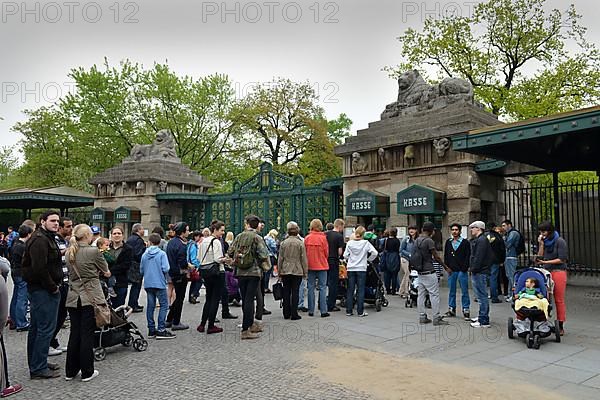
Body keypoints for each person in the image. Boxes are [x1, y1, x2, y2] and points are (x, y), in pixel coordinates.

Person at [64, 224, 110, 382]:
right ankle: (87, 371)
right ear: (87, 236)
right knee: (87, 335)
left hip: (72, 296)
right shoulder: (93, 251)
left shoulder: (69, 252)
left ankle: (70, 371)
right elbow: (106, 271)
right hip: (89, 296)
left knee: (74, 334)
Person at [21, 210, 63, 379]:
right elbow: (40, 268)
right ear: (43, 221)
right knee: (44, 329)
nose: (56, 223)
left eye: (57, 221)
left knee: (38, 328)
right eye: (52, 220)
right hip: (43, 290)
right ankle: (38, 367)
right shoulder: (40, 239)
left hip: (42, 289)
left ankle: (38, 362)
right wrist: (52, 287)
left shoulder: (45, 237)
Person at [227, 215, 270, 340]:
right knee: (250, 300)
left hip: (240, 271)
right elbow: (263, 254)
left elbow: (230, 252)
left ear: (247, 224)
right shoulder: (257, 237)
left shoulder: (239, 236)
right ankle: (247, 328)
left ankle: (248, 325)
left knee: (245, 298)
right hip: (254, 272)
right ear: (257, 225)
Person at [412, 222, 450, 325]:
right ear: (431, 231)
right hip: (429, 271)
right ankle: (436, 318)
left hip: (420, 271)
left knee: (421, 295)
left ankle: (422, 316)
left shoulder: (417, 240)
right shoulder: (429, 241)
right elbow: (436, 257)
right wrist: (445, 267)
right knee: (434, 294)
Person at [535, 221, 568, 335]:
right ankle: (544, 322)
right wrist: (541, 244)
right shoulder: (545, 241)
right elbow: (540, 256)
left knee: (558, 299)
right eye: (540, 232)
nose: (542, 234)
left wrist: (545, 261)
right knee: (544, 298)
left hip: (558, 272)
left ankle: (560, 324)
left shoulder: (560, 241)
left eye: (543, 231)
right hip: (546, 272)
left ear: (549, 231)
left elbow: (562, 259)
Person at [141, 233, 175, 340]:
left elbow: (141, 270)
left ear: (150, 242)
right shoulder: (161, 254)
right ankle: (161, 329)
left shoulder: (144, 254)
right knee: (164, 305)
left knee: (150, 306)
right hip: (159, 283)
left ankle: (151, 330)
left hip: (148, 283)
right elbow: (165, 268)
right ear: (159, 242)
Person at [196, 221, 227, 334]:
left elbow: (198, 257)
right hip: (216, 272)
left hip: (205, 271)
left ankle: (202, 323)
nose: (222, 233)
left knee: (208, 298)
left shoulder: (203, 241)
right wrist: (226, 259)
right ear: (215, 230)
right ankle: (211, 325)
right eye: (221, 230)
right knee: (215, 298)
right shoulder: (216, 242)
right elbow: (218, 259)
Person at [50, 216, 73, 357]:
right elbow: (55, 256)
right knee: (57, 315)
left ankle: (53, 341)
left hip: (66, 281)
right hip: (59, 282)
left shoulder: (65, 240)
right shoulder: (54, 240)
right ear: (60, 228)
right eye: (68, 226)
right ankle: (49, 342)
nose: (70, 229)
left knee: (62, 314)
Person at [344, 226, 378, 317]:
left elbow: (345, 255)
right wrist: (368, 259)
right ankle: (360, 311)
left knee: (350, 289)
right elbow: (375, 253)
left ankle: (349, 310)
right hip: (361, 268)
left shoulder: (350, 243)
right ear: (363, 234)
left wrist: (350, 259)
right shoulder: (366, 243)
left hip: (351, 268)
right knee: (361, 289)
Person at [278, 221, 308, 320]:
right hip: (297, 269)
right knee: (295, 292)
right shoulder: (300, 243)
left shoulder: (283, 243)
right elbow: (303, 258)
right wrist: (305, 271)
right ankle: (294, 313)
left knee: (286, 291)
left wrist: (279, 271)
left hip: (285, 269)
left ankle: (286, 313)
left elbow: (280, 258)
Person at [165, 222, 191, 331]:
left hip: (172, 272)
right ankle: (176, 322)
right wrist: (189, 266)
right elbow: (182, 262)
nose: (189, 232)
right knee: (180, 298)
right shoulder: (181, 244)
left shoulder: (171, 242)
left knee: (178, 297)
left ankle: (169, 319)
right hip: (180, 273)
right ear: (182, 232)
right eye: (187, 230)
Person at [468, 221, 494, 328]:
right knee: (480, 296)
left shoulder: (482, 240)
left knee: (482, 296)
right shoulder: (481, 240)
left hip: (479, 271)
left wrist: (473, 268)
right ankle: (481, 316)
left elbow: (478, 257)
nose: (471, 230)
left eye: (473, 228)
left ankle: (484, 320)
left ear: (478, 228)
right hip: (480, 271)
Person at [443, 223, 471, 320]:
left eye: (456, 230)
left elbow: (468, 256)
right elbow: (446, 255)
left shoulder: (465, 242)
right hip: (452, 270)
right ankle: (451, 308)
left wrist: (465, 268)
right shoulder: (448, 242)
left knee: (464, 291)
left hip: (462, 270)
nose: (454, 231)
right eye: (453, 230)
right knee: (451, 290)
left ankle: (466, 309)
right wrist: (447, 267)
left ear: (460, 231)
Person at [9, 224, 33, 332]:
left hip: (15, 271)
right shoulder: (23, 247)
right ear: (28, 234)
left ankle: (14, 319)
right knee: (22, 298)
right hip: (21, 273)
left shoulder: (15, 243)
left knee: (16, 296)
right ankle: (22, 323)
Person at [304, 219, 330, 318]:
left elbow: (305, 252)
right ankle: (323, 310)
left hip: (310, 266)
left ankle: (311, 310)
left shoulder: (307, 238)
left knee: (310, 287)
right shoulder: (323, 238)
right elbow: (326, 252)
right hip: (322, 265)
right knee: (323, 288)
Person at [107, 227, 133, 308]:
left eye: (119, 233)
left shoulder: (128, 249)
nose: (117, 235)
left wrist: (110, 271)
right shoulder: (106, 248)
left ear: (123, 235)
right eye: (114, 233)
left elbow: (126, 265)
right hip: (107, 282)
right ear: (111, 235)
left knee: (119, 307)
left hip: (121, 282)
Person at [325, 219, 345, 312]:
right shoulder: (339, 236)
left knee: (323, 284)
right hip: (334, 261)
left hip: (325, 261)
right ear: (340, 226)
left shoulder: (325, 234)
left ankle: (321, 303)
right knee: (333, 284)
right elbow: (339, 252)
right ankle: (331, 305)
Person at [126, 224, 146, 313]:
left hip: (130, 264)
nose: (143, 231)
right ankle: (133, 305)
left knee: (135, 286)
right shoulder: (138, 240)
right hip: (136, 266)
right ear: (138, 230)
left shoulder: (130, 239)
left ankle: (133, 303)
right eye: (142, 229)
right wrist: (144, 249)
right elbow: (138, 254)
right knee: (136, 286)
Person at [501, 219, 521, 302]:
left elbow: (507, 244)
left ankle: (513, 294)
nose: (503, 228)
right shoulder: (509, 233)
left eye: (504, 226)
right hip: (509, 256)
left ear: (509, 225)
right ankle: (510, 294)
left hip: (511, 256)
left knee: (511, 276)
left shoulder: (513, 233)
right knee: (509, 275)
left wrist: (502, 239)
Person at [486, 222, 505, 304]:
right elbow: (502, 249)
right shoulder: (498, 237)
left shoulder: (484, 236)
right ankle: (494, 297)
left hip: (485, 260)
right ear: (494, 227)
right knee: (493, 278)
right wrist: (502, 260)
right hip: (495, 260)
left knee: (484, 278)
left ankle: (481, 296)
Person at [399, 226, 418, 298]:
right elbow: (401, 250)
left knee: (409, 274)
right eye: (410, 229)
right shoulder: (406, 239)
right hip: (405, 258)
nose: (411, 231)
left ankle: (401, 290)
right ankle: (406, 292)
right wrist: (409, 254)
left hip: (414, 259)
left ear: (416, 230)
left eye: (413, 229)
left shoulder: (417, 239)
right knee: (407, 273)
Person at [382, 228, 401, 295]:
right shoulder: (397, 241)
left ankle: (388, 289)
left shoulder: (386, 241)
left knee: (387, 275)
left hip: (388, 257)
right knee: (394, 275)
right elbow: (398, 249)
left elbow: (384, 249)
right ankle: (393, 290)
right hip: (395, 257)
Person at [187, 231, 203, 305]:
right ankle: (193, 295)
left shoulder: (189, 244)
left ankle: (191, 296)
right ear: (196, 237)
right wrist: (197, 265)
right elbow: (193, 257)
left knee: (194, 281)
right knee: (198, 280)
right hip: (193, 266)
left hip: (189, 265)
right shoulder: (193, 245)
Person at [263, 229, 278, 294]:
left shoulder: (264, 238)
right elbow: (274, 248)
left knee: (265, 272)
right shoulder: (271, 240)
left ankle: (264, 286)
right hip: (270, 256)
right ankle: (266, 287)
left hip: (265, 256)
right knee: (268, 273)